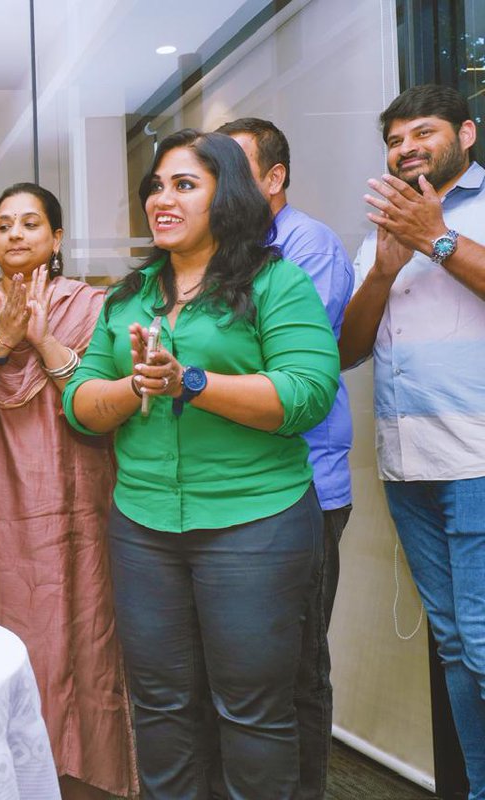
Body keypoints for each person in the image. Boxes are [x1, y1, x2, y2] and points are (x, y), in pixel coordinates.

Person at [64, 129, 339, 799]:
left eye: (184, 185)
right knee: (159, 710)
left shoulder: (276, 281)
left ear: (230, 195)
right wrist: (137, 386)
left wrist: (191, 381)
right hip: (144, 528)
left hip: (256, 524)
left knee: (252, 712)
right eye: (156, 186)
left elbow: (306, 394)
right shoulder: (127, 297)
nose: (163, 198)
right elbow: (79, 402)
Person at [0, 183, 137, 799]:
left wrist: (38, 337)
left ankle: (83, 774)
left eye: (30, 223)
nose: (15, 234)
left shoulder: (96, 305)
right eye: (4, 225)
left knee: (82, 627)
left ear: (56, 238)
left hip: (75, 490)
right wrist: (3, 340)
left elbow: (98, 399)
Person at [339, 84, 485, 799]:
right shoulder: (380, 230)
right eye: (395, 140)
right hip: (407, 464)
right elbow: (349, 348)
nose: (406, 149)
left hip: (480, 459)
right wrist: (385, 268)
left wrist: (437, 238)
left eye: (422, 133)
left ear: (467, 133)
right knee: (456, 649)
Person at [216, 117, 354, 800]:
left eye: (236, 169)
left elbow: (287, 367)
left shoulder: (308, 245)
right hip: (233, 493)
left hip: (305, 488)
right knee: (240, 672)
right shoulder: (214, 252)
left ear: (275, 179)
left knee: (296, 668)